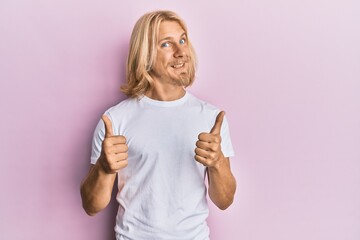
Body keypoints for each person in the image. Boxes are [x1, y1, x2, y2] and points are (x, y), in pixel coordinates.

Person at [80, 10, 236, 240]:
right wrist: (104, 168)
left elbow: (225, 201)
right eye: (166, 44)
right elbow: (91, 206)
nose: (182, 51)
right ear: (145, 56)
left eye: (182, 40)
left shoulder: (211, 118)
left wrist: (218, 163)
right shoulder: (115, 120)